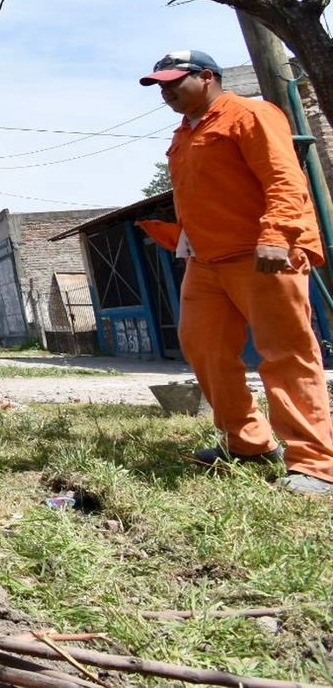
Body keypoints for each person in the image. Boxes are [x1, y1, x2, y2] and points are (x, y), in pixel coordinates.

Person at [133, 50, 333, 498]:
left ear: (207, 77)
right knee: (202, 346)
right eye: (160, 87)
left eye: (173, 83)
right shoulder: (184, 134)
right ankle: (248, 444)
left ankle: (316, 463)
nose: (165, 93)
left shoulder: (250, 114)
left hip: (262, 253)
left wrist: (277, 234)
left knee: (285, 353)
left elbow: (284, 179)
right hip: (206, 260)